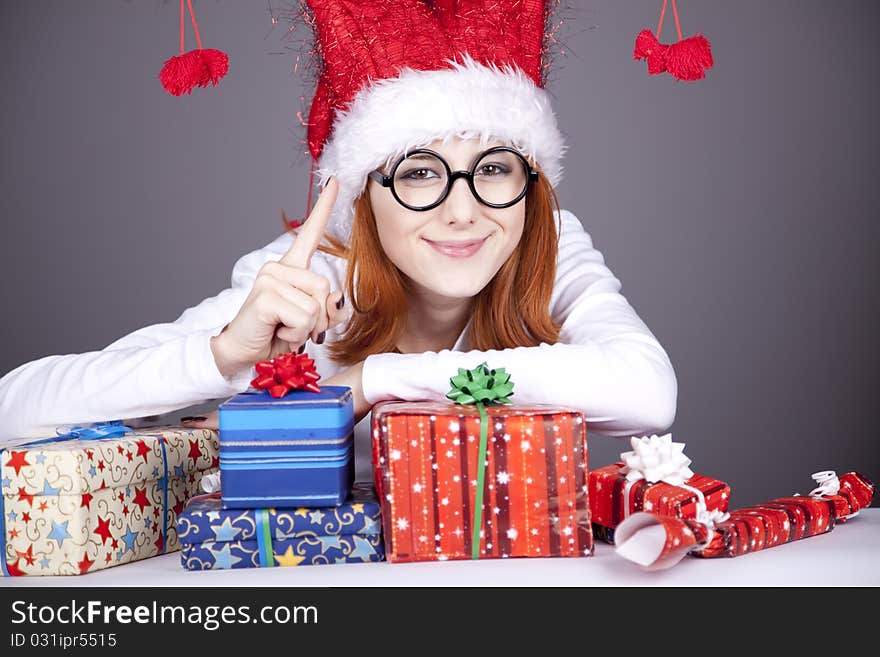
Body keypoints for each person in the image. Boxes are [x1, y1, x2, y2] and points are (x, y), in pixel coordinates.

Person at [0, 0, 677, 481]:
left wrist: (373, 382)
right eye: (419, 172)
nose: (464, 210)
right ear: (363, 192)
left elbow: (648, 391)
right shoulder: (309, 276)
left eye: (495, 167)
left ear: (530, 179)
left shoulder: (546, 238)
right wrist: (226, 352)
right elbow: (15, 407)